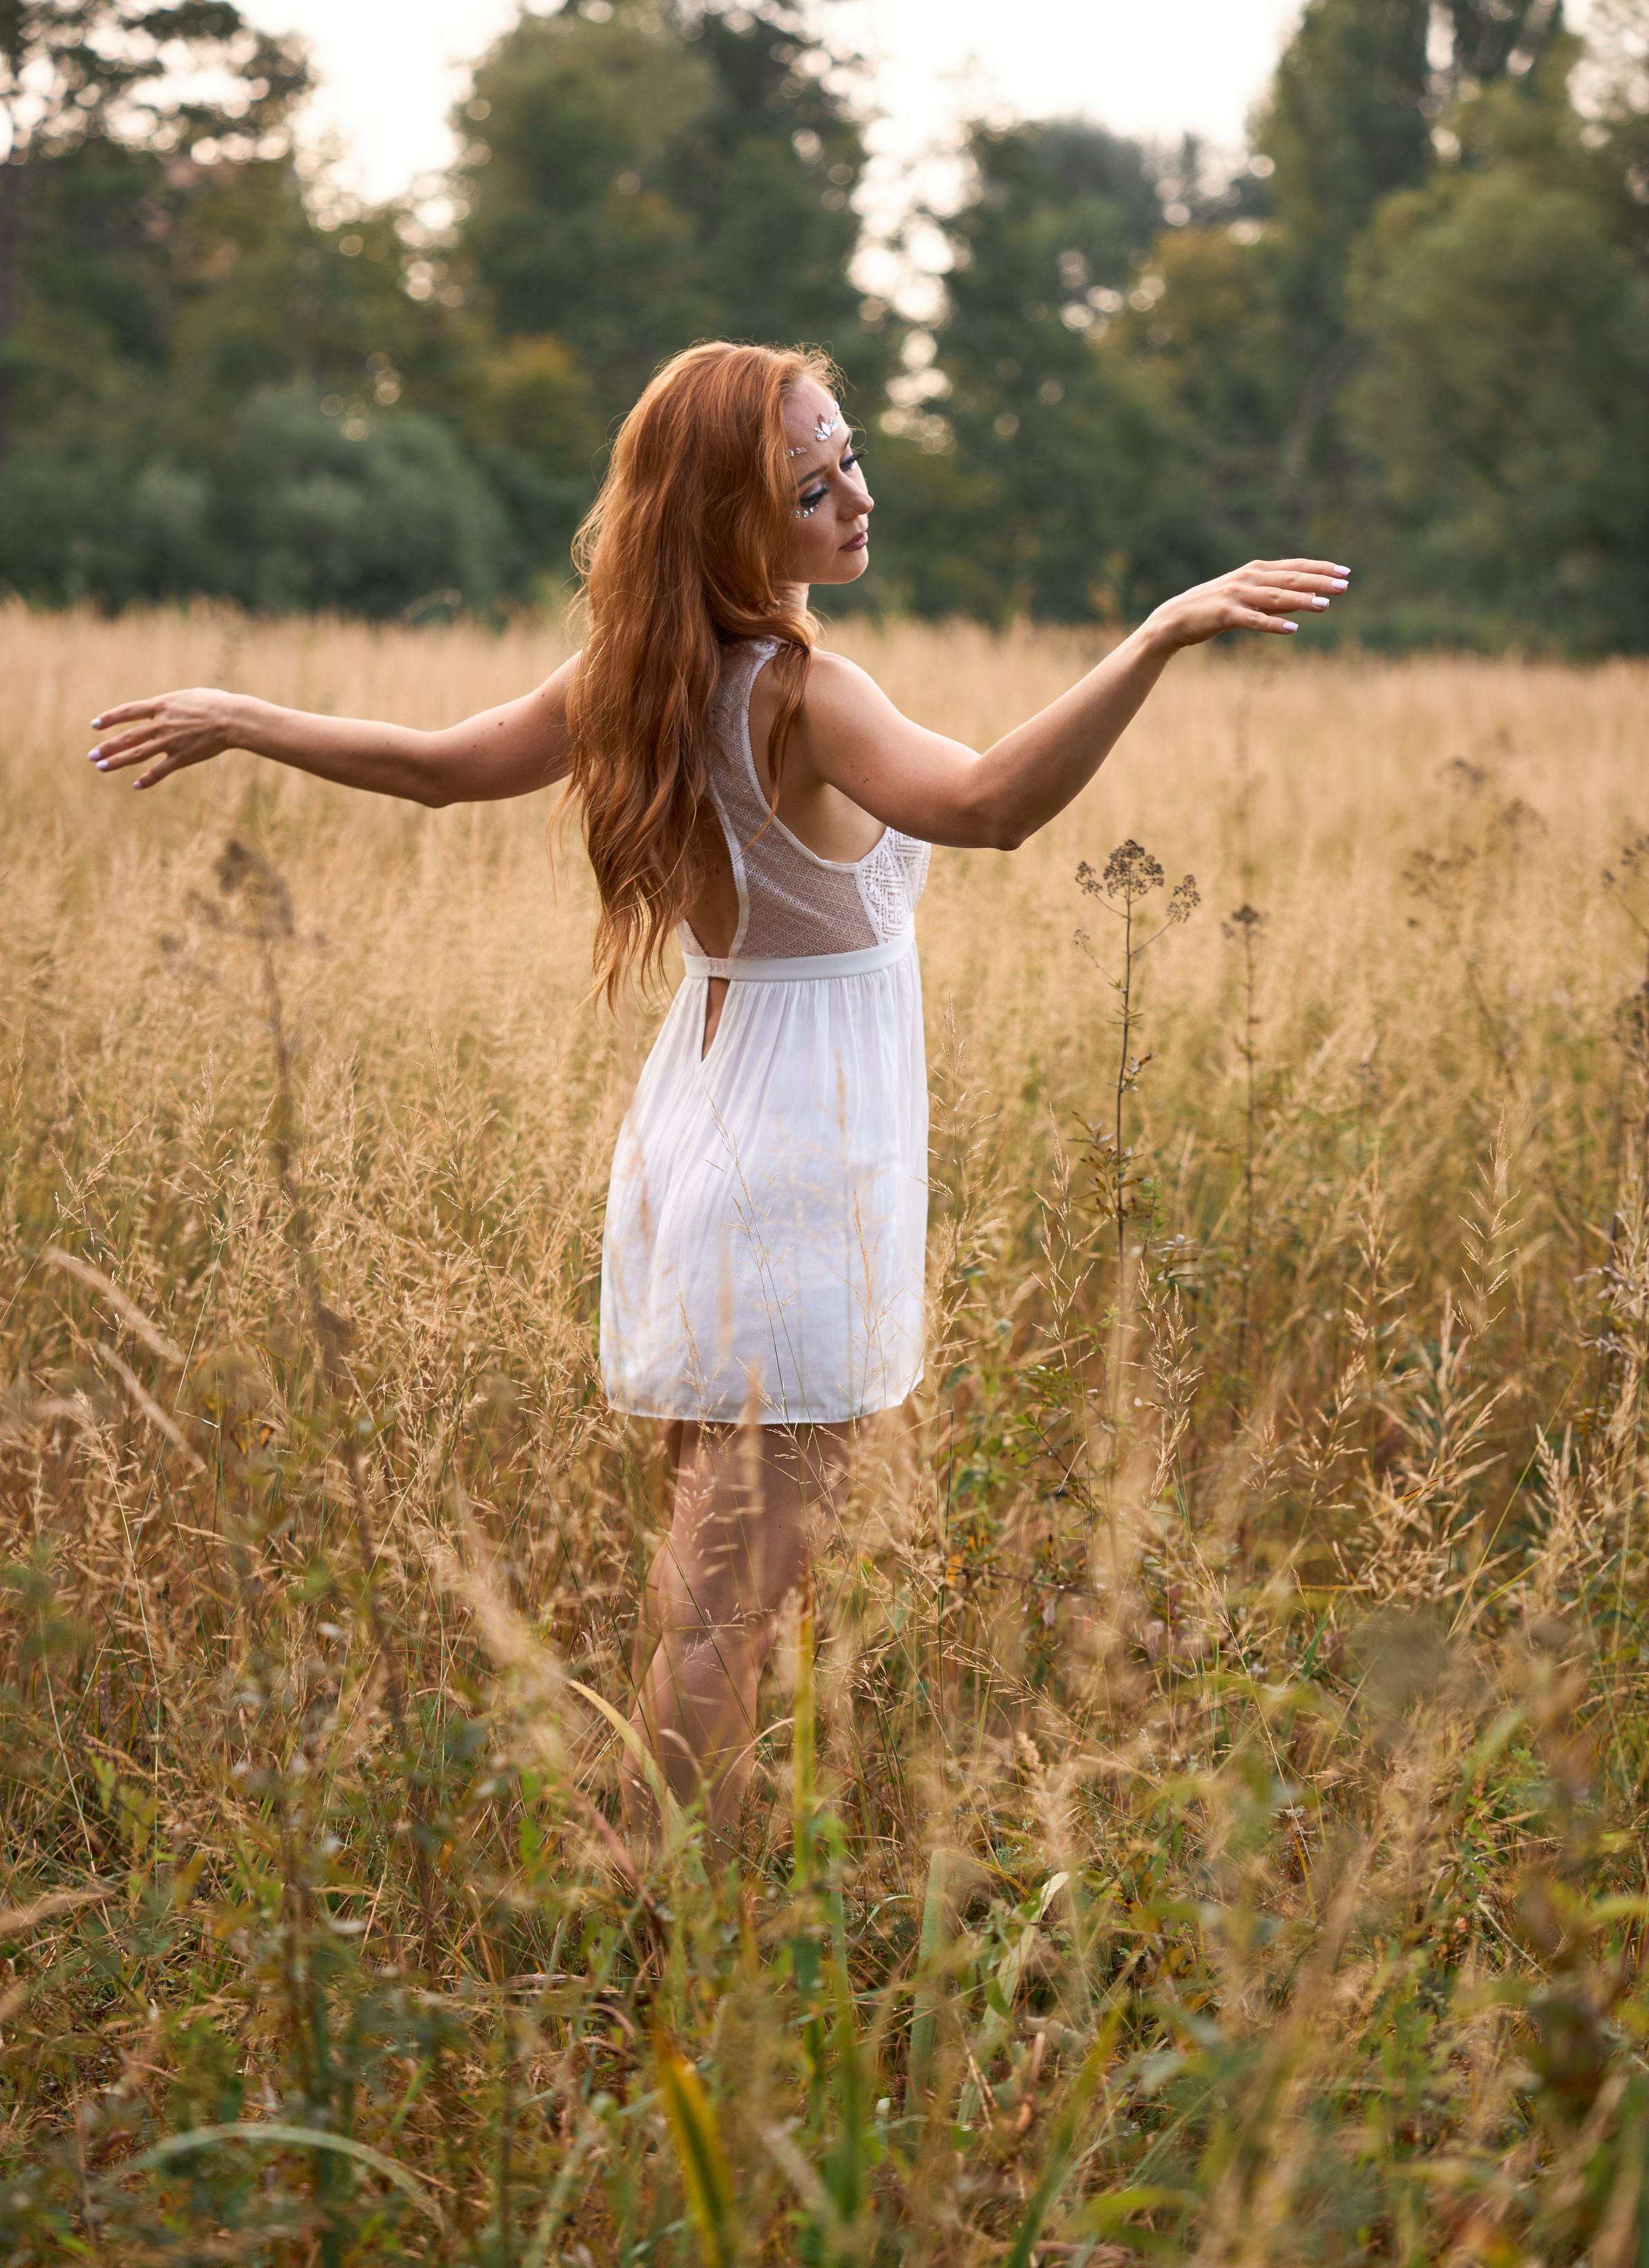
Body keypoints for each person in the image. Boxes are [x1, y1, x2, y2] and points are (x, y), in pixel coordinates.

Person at [87, 340, 1348, 1851]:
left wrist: (247, 711)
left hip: (711, 1126)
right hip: (796, 1163)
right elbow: (990, 807)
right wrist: (1149, 638)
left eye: (849, 457)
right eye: (809, 489)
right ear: (730, 527)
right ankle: (653, 1909)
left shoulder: (640, 673)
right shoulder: (803, 689)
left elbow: (434, 766)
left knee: (710, 1581)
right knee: (722, 1609)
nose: (854, 499)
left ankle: (694, 1894)